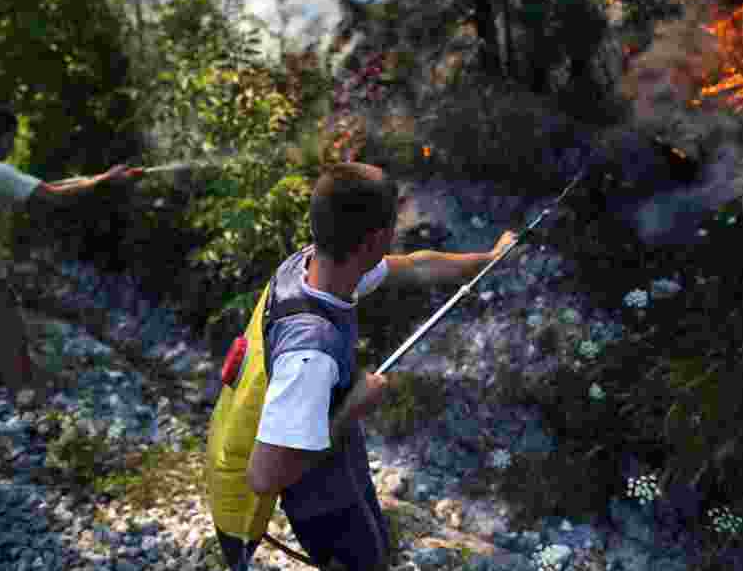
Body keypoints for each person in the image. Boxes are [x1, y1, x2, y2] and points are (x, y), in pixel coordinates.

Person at [214, 161, 518, 570]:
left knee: (375, 544)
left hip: (335, 460)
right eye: (392, 226)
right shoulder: (310, 355)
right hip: (320, 500)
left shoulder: (310, 266)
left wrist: (488, 258)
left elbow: (415, 265)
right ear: (375, 239)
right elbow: (265, 476)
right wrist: (350, 410)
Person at [0, 101, 143, 408]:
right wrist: (107, 183)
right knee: (12, 340)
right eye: (11, 139)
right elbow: (54, 197)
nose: (10, 147)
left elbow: (44, 187)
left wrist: (101, 177)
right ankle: (26, 406)